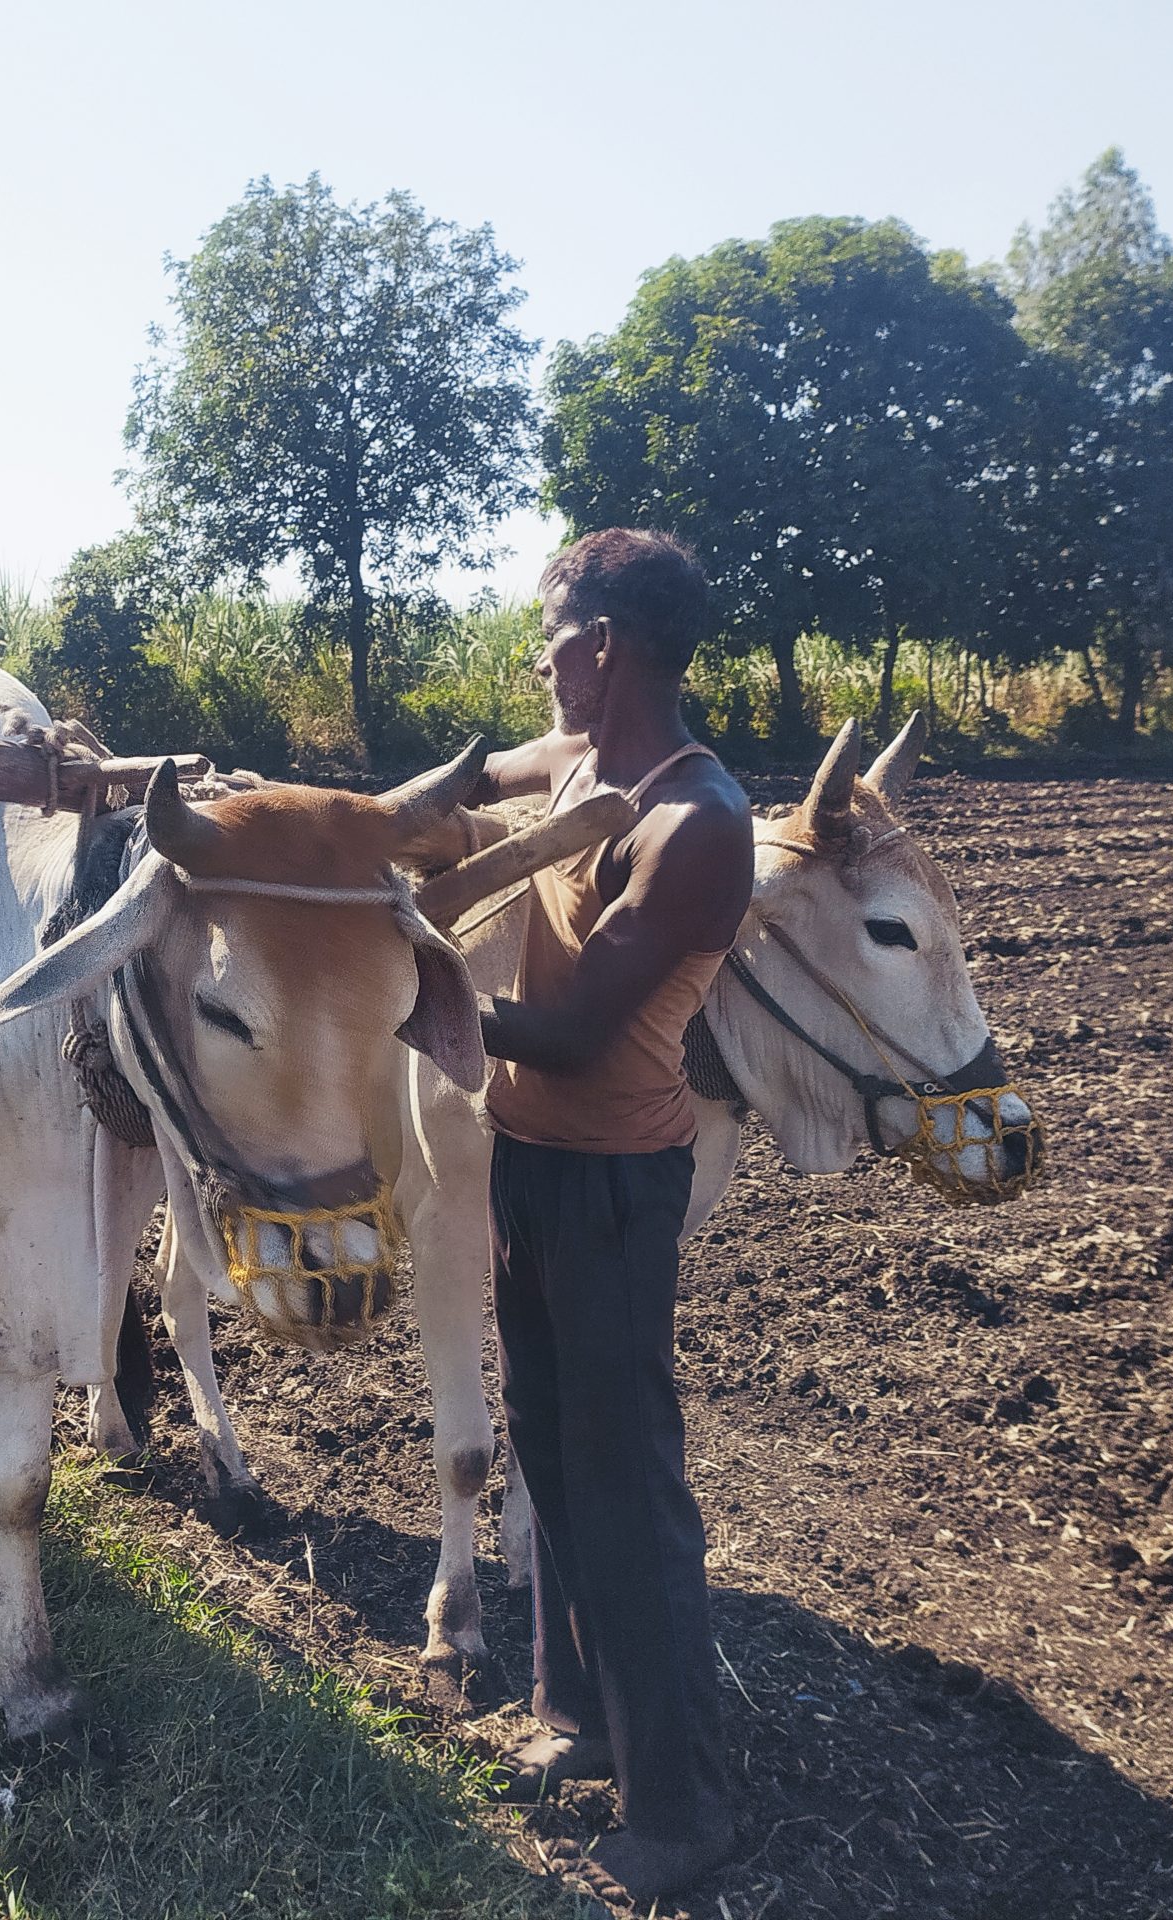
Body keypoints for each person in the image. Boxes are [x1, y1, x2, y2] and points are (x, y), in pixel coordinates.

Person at [470, 527, 753, 1907]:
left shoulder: (697, 824)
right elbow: (467, 781)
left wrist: (421, 1001)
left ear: (606, 648)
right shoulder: (581, 767)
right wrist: (303, 815)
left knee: (628, 1488)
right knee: (549, 1455)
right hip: (527, 1162)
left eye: (549, 637)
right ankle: (576, 1717)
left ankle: (680, 1808)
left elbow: (576, 1033)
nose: (538, 660)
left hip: (614, 1190)